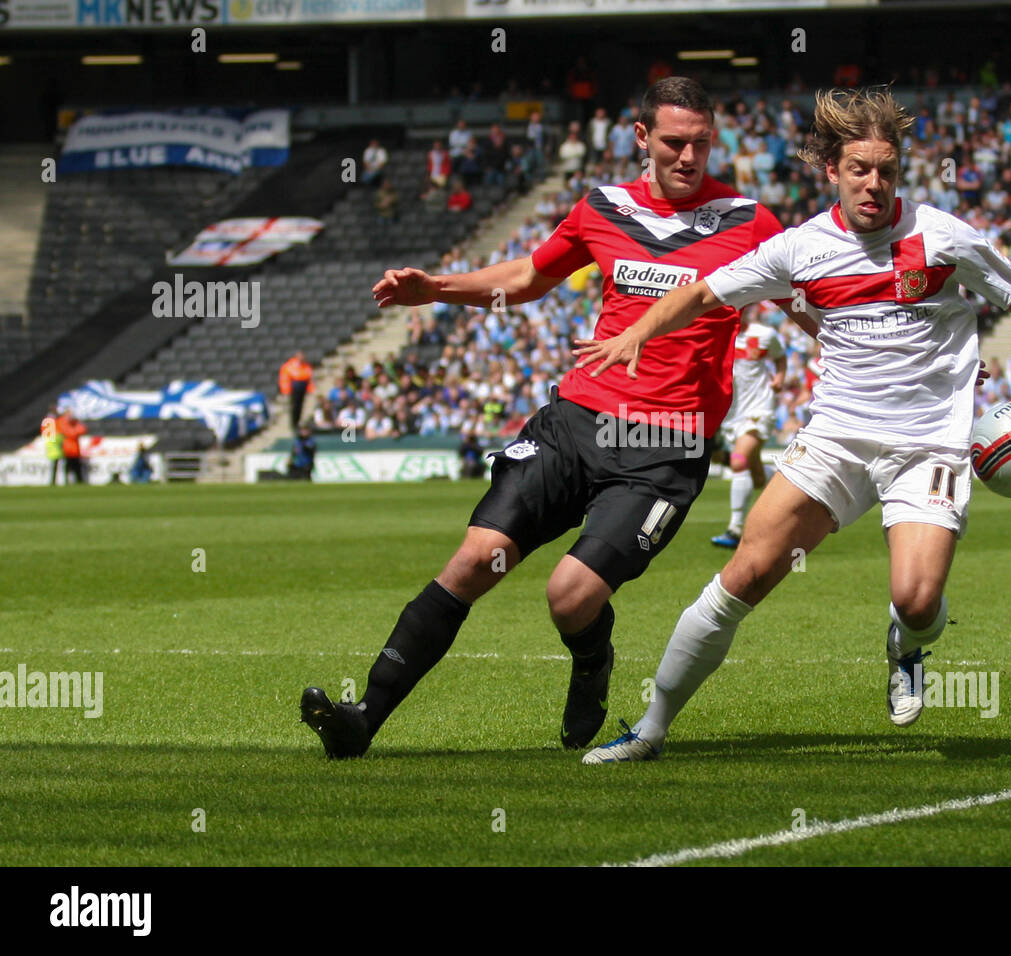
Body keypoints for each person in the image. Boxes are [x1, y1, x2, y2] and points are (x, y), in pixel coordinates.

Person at [574, 88, 1011, 763]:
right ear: (833, 170)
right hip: (836, 439)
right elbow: (703, 292)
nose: (873, 183)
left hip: (929, 446)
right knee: (744, 578)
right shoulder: (800, 249)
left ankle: (907, 644)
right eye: (859, 168)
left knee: (915, 600)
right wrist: (636, 334)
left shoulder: (942, 237)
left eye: (886, 168)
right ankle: (650, 730)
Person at [299, 76, 810, 759]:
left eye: (701, 145)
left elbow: (813, 304)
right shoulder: (603, 208)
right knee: (478, 560)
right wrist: (437, 289)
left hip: (663, 451)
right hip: (573, 423)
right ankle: (364, 718)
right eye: (674, 143)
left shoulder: (750, 222)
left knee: (569, 596)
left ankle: (591, 659)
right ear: (641, 139)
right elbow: (528, 278)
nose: (688, 158)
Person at [709, 305, 786, 549]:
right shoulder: (717, 335)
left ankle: (734, 529)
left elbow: (780, 357)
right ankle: (778, 479)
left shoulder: (764, 334)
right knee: (754, 475)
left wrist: (779, 378)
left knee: (738, 460)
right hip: (731, 414)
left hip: (759, 409)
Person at [279, 351, 315, 429]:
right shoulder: (289, 366)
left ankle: (299, 422)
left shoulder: (306, 366)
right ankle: (294, 423)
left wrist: (310, 388)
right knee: (295, 406)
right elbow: (285, 378)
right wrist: (286, 390)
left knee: (301, 406)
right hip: (294, 388)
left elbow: (309, 377)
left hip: (303, 388)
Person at [56, 409, 86, 484]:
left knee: (77, 467)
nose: (71, 416)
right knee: (68, 467)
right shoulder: (61, 421)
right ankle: (67, 481)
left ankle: (79, 481)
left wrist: (74, 428)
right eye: (69, 414)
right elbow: (70, 433)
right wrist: (75, 430)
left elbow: (83, 429)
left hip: (75, 449)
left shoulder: (75, 422)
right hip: (67, 449)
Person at [41, 405, 63, 485]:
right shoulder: (53, 420)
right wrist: (61, 437)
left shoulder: (48, 420)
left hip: (51, 445)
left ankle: (52, 481)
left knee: (54, 465)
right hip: (54, 446)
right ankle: (53, 481)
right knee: (55, 465)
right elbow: (55, 434)